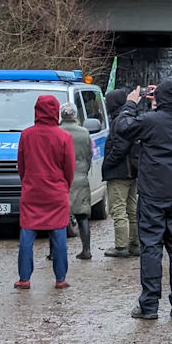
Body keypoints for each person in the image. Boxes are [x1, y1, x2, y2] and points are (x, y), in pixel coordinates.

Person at [114, 79, 172, 319]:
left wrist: (131, 104)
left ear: (160, 97)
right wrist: (160, 102)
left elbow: (123, 127)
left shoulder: (151, 121)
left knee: (151, 247)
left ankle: (149, 305)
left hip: (152, 194)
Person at [13, 95, 74, 290]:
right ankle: (60, 278)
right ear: (55, 111)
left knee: (27, 235)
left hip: (32, 191)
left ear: (36, 111)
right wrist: (64, 186)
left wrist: (28, 182)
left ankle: (24, 278)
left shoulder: (26, 135)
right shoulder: (64, 137)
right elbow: (69, 168)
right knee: (59, 235)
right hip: (56, 192)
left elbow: (21, 165)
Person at [102, 88, 140, 258]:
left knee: (118, 210)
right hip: (132, 171)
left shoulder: (119, 121)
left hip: (119, 172)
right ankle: (135, 243)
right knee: (132, 209)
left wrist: (107, 164)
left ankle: (121, 246)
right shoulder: (131, 118)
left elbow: (120, 147)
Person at [58, 103, 94, 260]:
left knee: (57, 218)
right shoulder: (84, 133)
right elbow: (89, 155)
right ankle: (86, 250)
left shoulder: (56, 132)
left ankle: (55, 253)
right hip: (79, 177)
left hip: (60, 179)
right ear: (75, 115)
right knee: (82, 216)